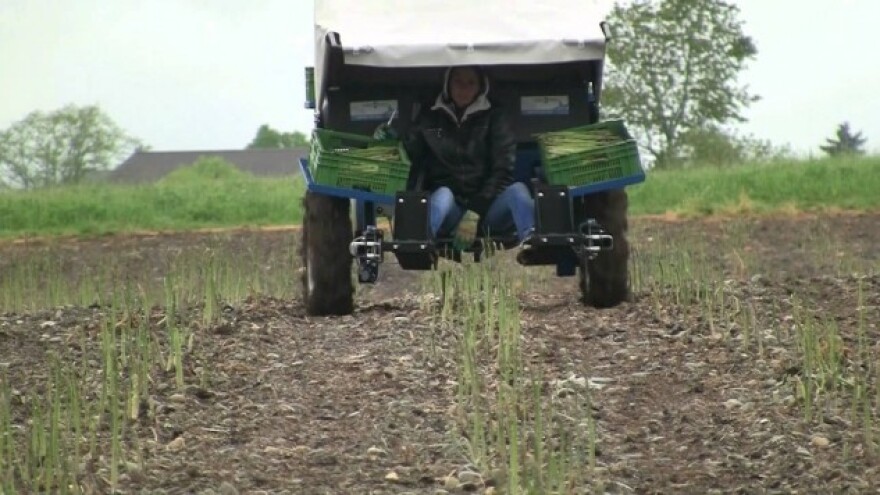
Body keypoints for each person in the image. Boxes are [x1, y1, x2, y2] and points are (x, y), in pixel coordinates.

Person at [376, 65, 535, 252]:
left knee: (518, 191)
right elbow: (411, 151)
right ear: (447, 84)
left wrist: (475, 212)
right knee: (443, 194)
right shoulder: (430, 115)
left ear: (481, 87)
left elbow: (503, 171)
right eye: (458, 81)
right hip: (450, 211)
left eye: (471, 83)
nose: (463, 88)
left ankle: (531, 242)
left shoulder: (496, 116)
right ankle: (418, 246)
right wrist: (391, 140)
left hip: (489, 210)